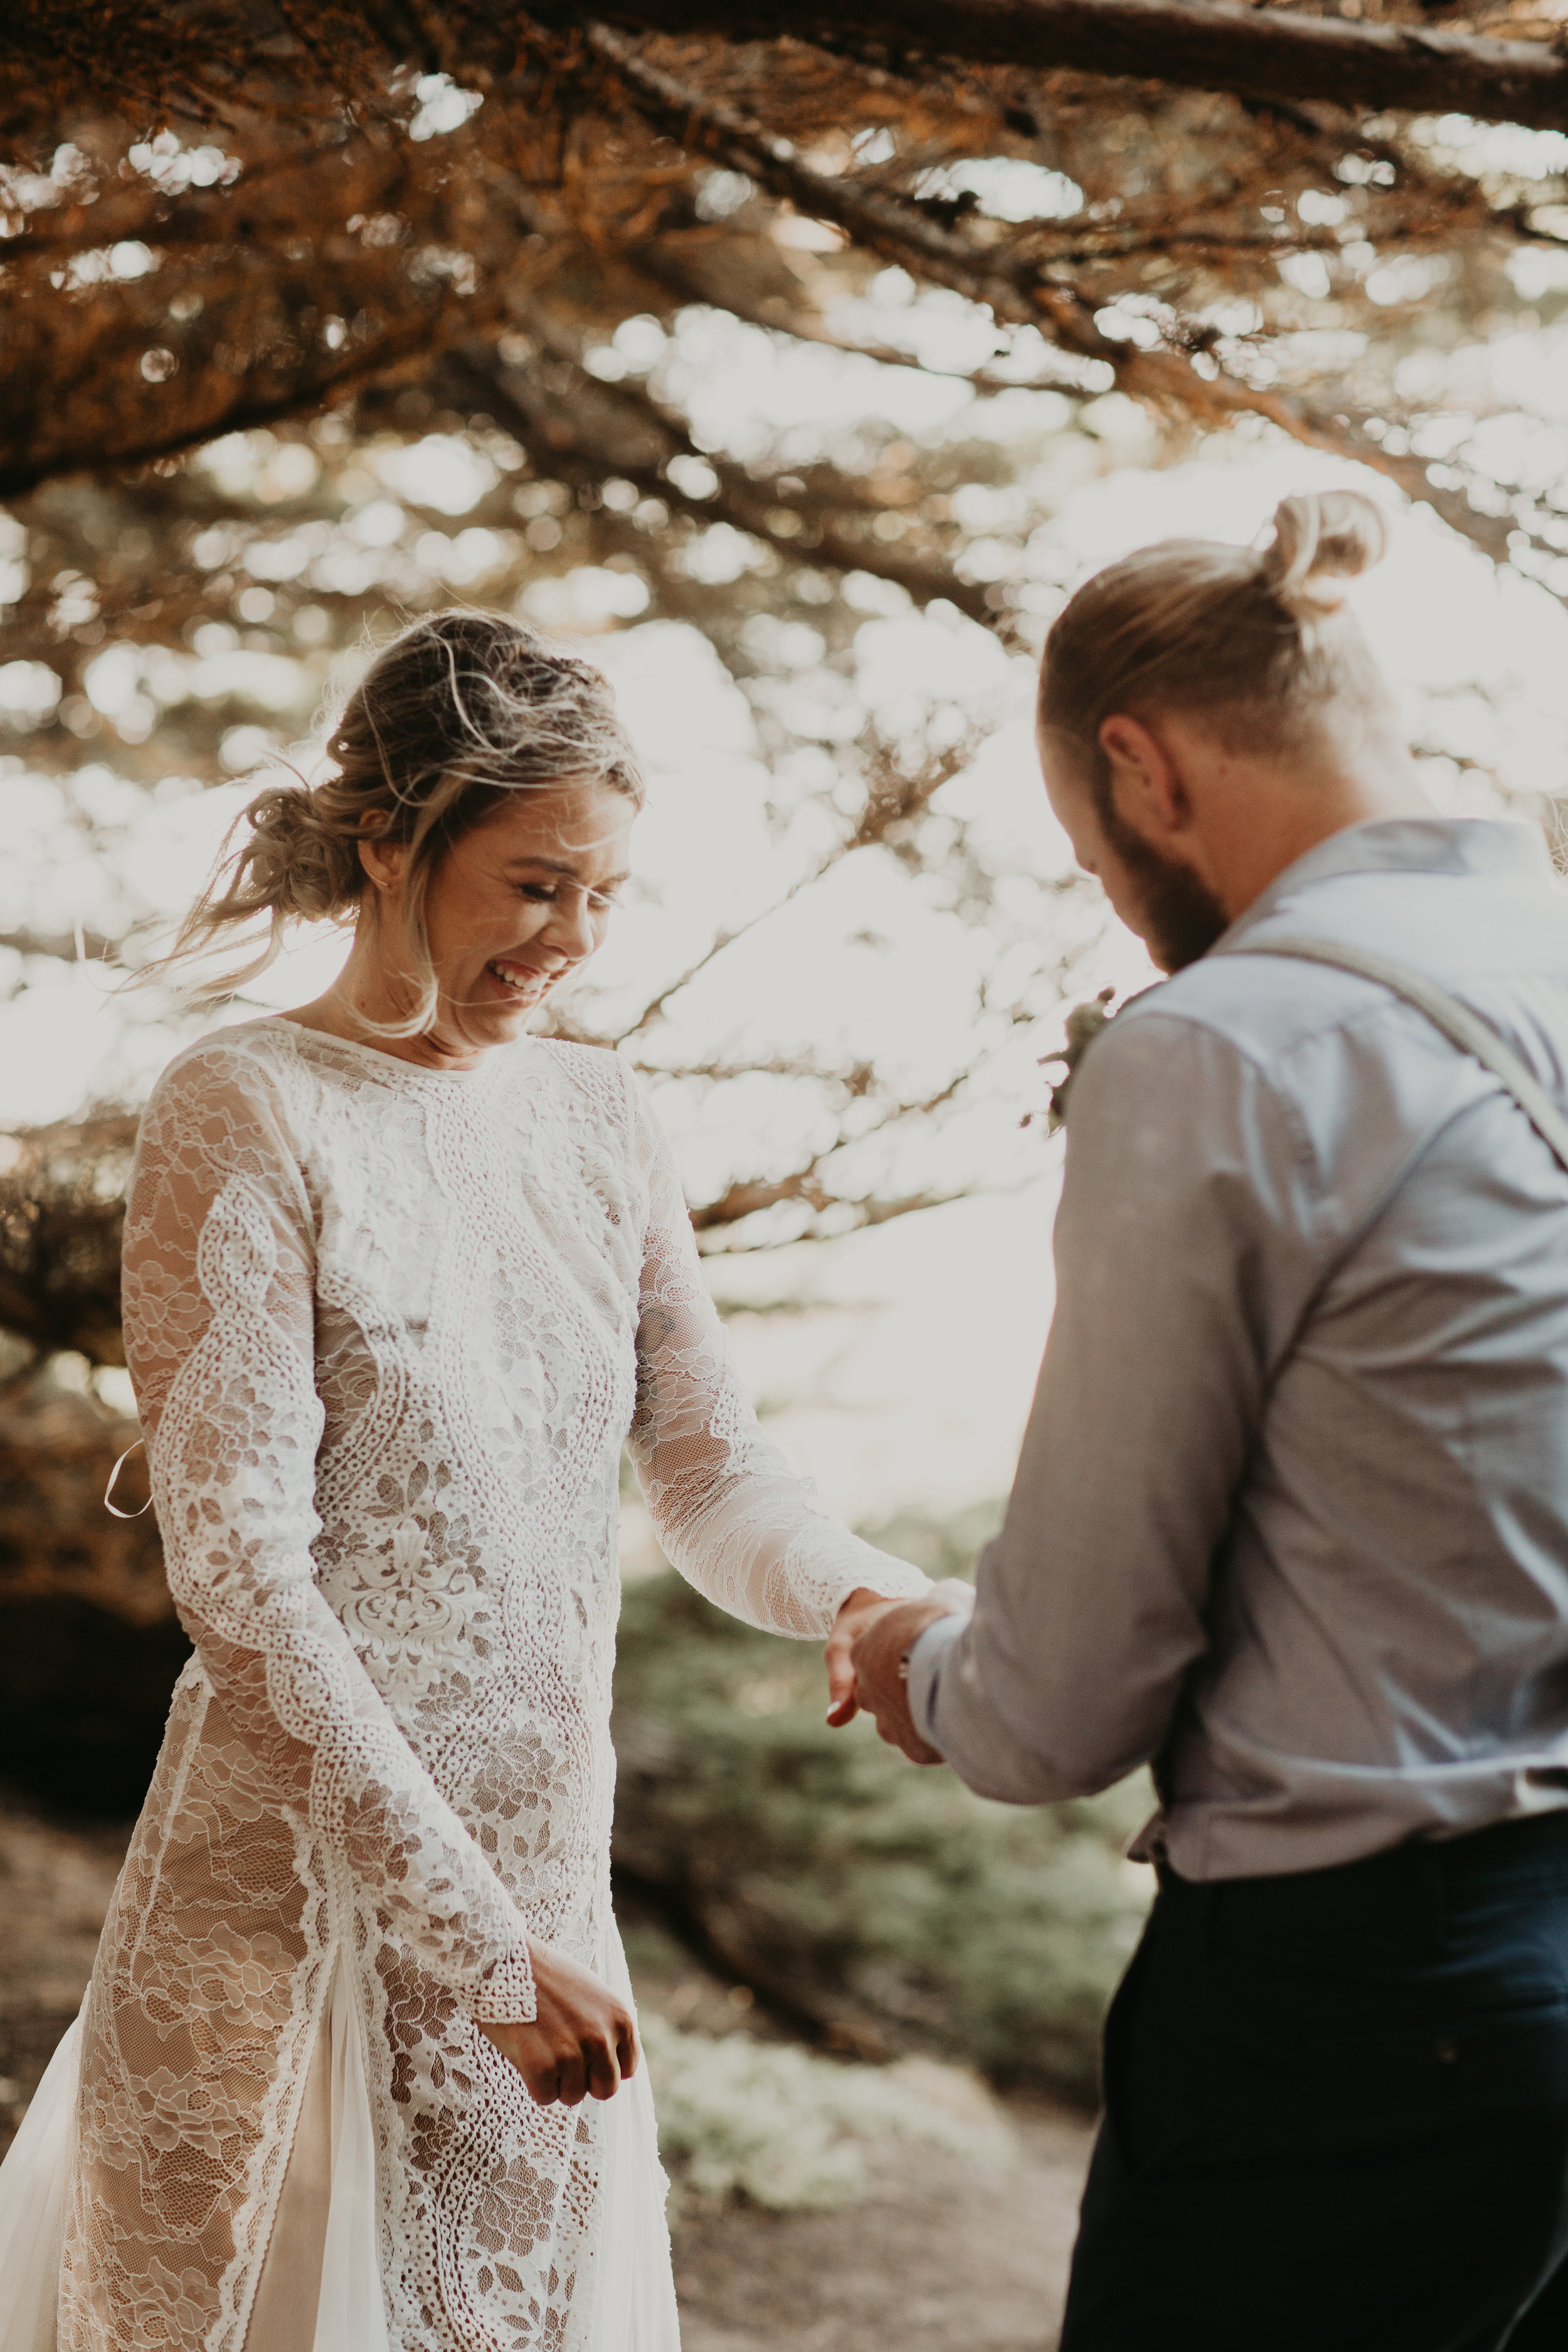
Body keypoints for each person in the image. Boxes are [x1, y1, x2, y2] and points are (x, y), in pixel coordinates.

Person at [0, 612, 933, 2352]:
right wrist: (474, 1946)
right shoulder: (244, 1106)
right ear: (388, 838)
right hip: (303, 1896)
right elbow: (244, 1583)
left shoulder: (601, 1116)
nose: (573, 939)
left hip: (545, 1888)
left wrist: (861, 1590)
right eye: (533, 885)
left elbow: (710, 1464)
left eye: (606, 894)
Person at [846, 490, 1568, 2350]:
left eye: (1094, 869)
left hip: (1355, 2010)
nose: (1125, 916)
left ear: (1138, 772)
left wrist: (926, 1659)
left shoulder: (1229, 1046)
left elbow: (1068, 1688)